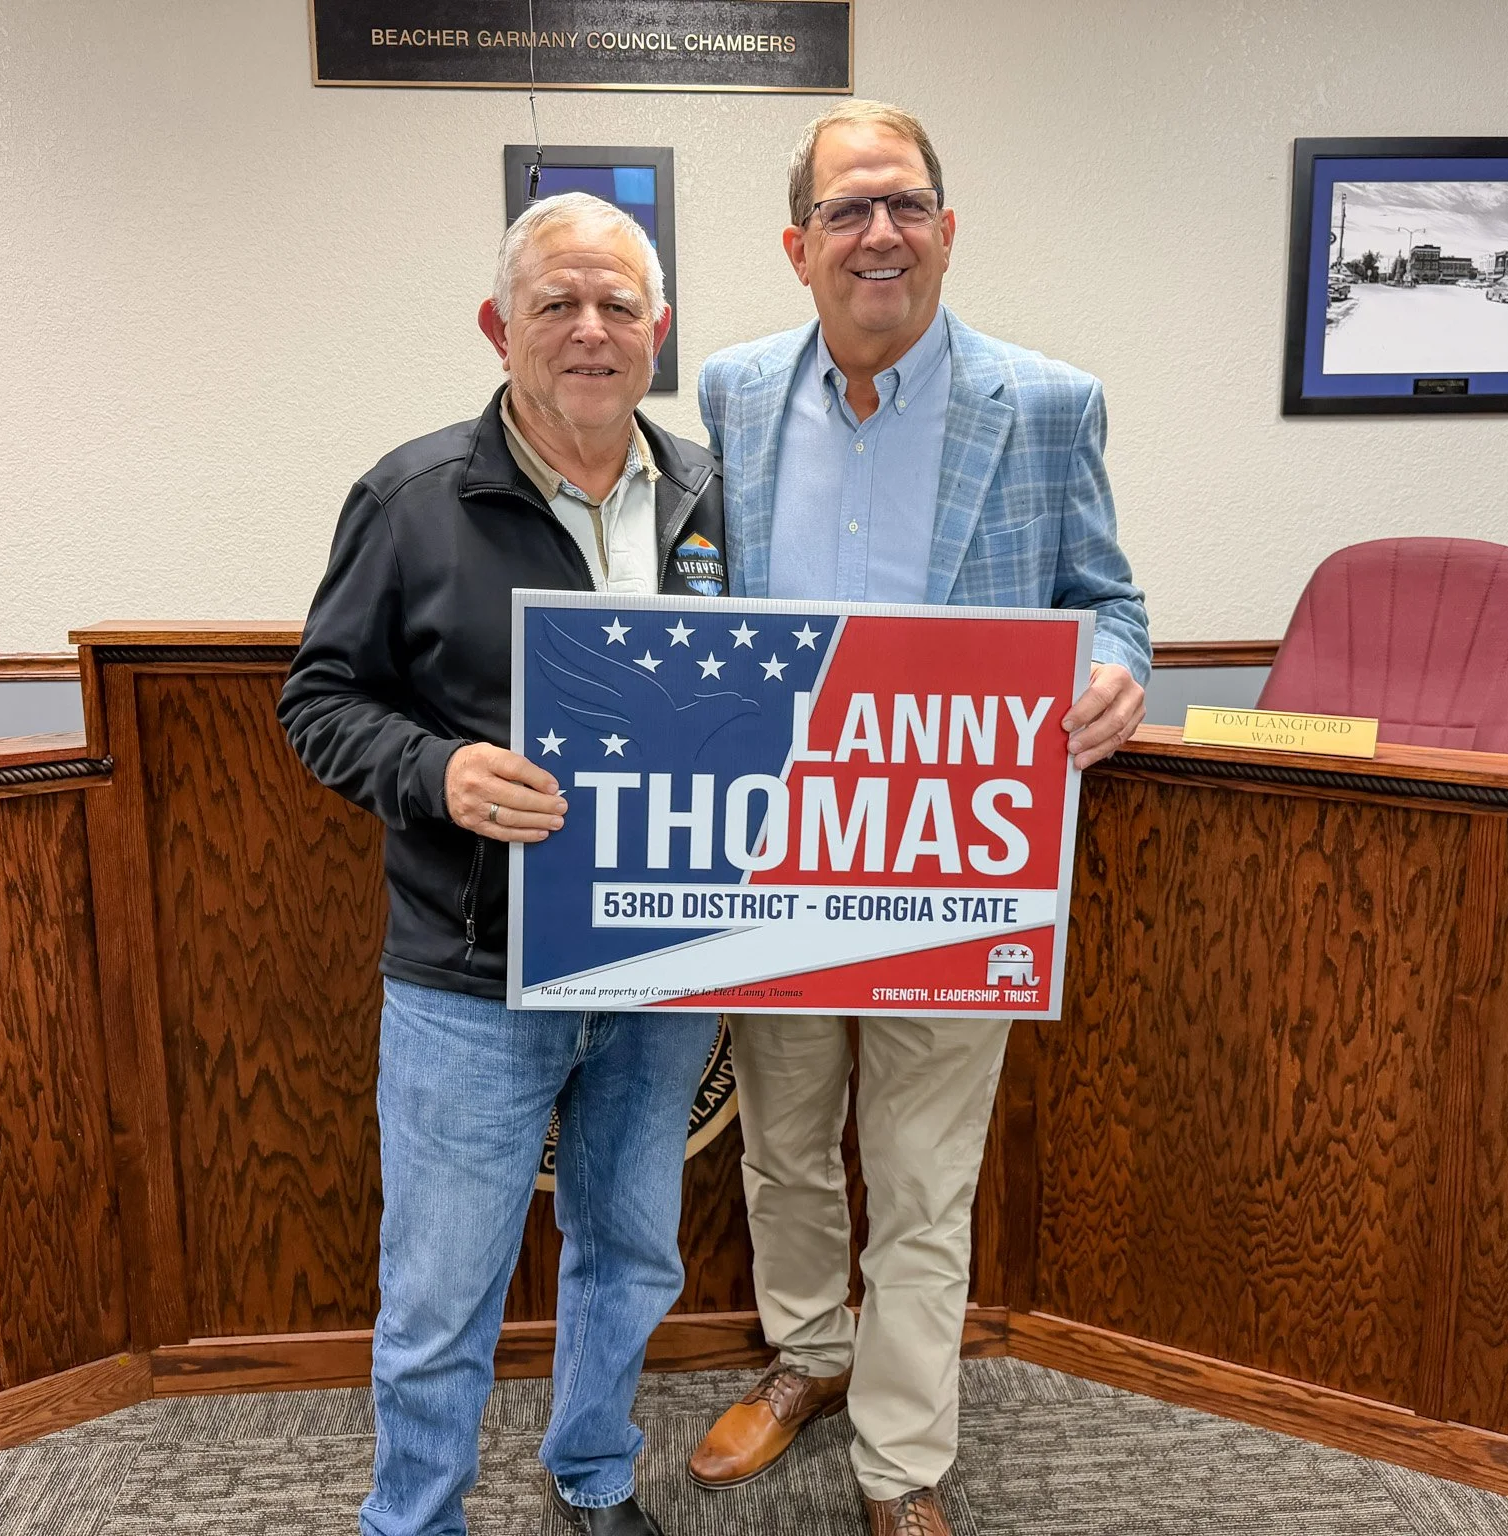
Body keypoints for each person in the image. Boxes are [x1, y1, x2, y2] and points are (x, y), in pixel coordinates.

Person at [685, 102, 1151, 1536]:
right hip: (779, 851)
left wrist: (1120, 668)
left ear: (947, 229)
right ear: (797, 245)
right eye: (845, 211)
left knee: (925, 1171)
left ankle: (902, 1456)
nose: (877, 233)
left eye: (904, 205)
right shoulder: (728, 392)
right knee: (782, 1140)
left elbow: (1107, 595)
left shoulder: (1050, 402)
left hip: (958, 862)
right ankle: (808, 1358)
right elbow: (701, 584)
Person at [279, 191, 726, 1536]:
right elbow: (320, 702)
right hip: (473, 975)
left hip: (662, 956)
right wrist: (439, 774)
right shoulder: (412, 499)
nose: (591, 331)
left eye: (618, 305)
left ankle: (594, 1476)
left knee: (633, 1257)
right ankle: (415, 1517)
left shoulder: (715, 494)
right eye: (556, 304)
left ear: (658, 328)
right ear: (500, 327)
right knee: (440, 1294)